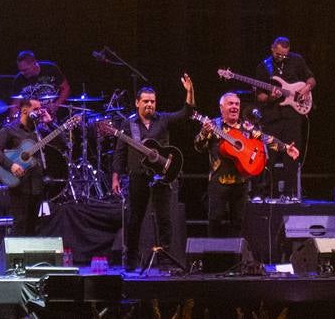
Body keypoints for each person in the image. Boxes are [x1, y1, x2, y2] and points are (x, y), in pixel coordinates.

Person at [111, 74, 195, 270]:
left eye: (153, 101)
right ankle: (131, 259)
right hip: (137, 175)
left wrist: (189, 91)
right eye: (146, 101)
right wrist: (116, 175)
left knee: (164, 218)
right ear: (137, 103)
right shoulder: (128, 124)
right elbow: (120, 151)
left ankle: (164, 258)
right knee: (134, 219)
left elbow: (186, 113)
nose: (150, 104)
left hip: (162, 177)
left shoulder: (163, 120)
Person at [195, 92, 299, 237]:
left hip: (241, 183)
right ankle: (213, 258)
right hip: (218, 182)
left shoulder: (247, 127)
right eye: (230, 104)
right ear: (221, 107)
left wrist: (286, 148)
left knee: (238, 224)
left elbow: (266, 139)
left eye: (237, 104)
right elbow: (198, 146)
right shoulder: (213, 125)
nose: (234, 107)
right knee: (215, 222)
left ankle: (237, 258)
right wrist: (204, 132)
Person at [253, 36, 314, 199]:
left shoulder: (297, 60)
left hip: (293, 117)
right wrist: (272, 97)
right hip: (272, 117)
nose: (282, 57)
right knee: (268, 156)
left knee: (292, 154)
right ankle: (264, 192)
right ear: (272, 48)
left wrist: (306, 88)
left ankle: (290, 193)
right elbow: (260, 96)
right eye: (279, 54)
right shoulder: (263, 67)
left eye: (285, 54)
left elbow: (311, 79)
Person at [0, 93, 52, 236]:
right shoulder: (10, 130)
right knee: (20, 224)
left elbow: (64, 144)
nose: (39, 112)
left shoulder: (40, 131)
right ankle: (18, 257)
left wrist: (50, 123)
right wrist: (11, 165)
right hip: (18, 184)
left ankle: (33, 257)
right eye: (36, 109)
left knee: (34, 226)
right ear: (24, 110)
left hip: (37, 184)